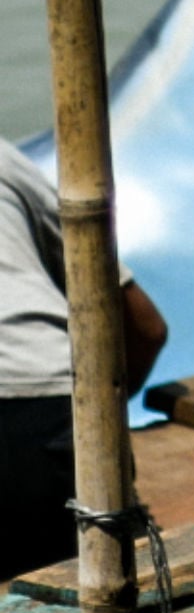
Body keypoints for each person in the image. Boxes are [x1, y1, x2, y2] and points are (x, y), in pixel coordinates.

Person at [1, 144, 168, 579]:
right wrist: (96, 417)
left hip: (36, 408)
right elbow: (146, 328)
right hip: (56, 409)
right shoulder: (4, 159)